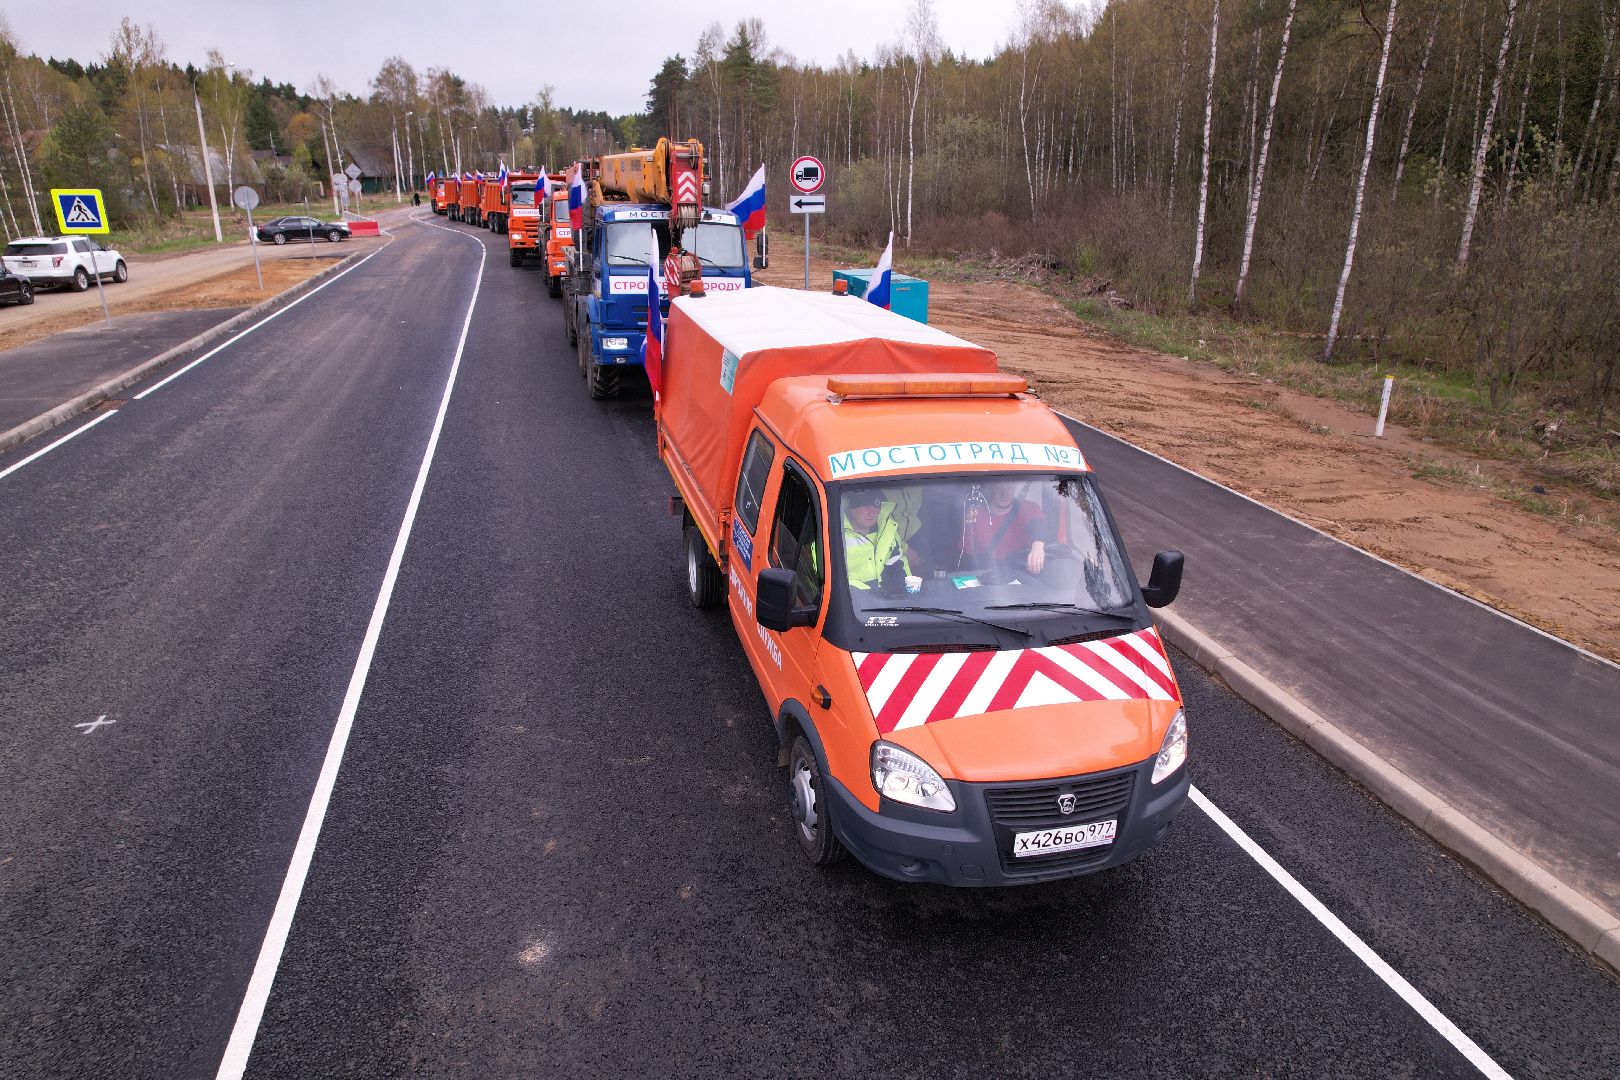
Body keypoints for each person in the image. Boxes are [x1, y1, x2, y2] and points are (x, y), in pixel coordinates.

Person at [964, 479, 1046, 576]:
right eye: (999, 488)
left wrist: (1038, 546)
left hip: (1023, 575)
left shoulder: (1028, 508)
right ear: (992, 488)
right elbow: (968, 557)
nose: (1004, 494)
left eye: (1009, 488)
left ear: (1015, 488)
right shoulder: (976, 515)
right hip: (988, 576)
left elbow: (1038, 524)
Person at [842, 488, 912, 591]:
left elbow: (898, 563)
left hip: (885, 597)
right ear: (850, 508)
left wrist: (907, 589)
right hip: (852, 597)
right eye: (865, 506)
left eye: (876, 506)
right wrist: (869, 593)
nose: (872, 512)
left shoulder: (887, 529)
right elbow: (832, 578)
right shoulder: (834, 534)